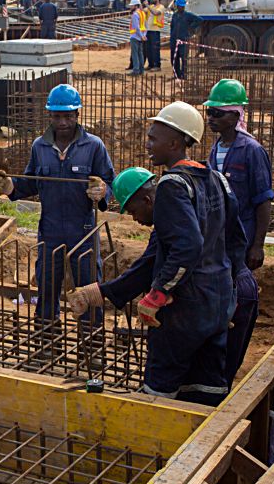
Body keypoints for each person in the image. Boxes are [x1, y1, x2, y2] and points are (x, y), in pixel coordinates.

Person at [69, 102, 244, 406]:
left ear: (174, 142)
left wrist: (158, 294)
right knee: (207, 389)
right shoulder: (217, 179)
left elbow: (187, 247)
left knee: (159, 390)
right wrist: (228, 297)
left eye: (153, 138)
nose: (147, 145)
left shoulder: (171, 186)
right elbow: (235, 243)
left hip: (182, 311)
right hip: (216, 307)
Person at [0, 85, 114, 329]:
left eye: (68, 116)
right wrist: (6, 186)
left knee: (88, 289)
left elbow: (109, 182)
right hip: (50, 229)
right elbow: (30, 183)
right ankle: (47, 339)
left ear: (77, 115)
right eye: (57, 116)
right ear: (50, 116)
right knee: (47, 286)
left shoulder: (94, 146)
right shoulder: (40, 146)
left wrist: (102, 190)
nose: (63, 122)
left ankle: (91, 343)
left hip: (84, 231)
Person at [204, 79, 274, 383]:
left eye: (218, 114)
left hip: (241, 241)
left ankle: (227, 368)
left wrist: (258, 245)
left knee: (237, 298)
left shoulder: (252, 151)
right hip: (217, 241)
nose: (211, 119)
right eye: (209, 113)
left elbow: (263, 201)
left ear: (235, 115)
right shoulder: (214, 150)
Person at [169, 0, 201, 79]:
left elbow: (200, 20)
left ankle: (184, 74)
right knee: (174, 59)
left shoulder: (188, 15)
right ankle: (177, 74)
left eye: (183, 6)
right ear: (177, 6)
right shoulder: (175, 15)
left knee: (184, 59)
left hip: (183, 40)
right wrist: (172, 37)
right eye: (180, 6)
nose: (182, 8)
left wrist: (190, 28)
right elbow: (172, 27)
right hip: (174, 40)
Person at [146, 0, 165, 71]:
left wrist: (148, 6)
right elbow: (142, 11)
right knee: (148, 49)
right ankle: (150, 64)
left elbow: (156, 13)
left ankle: (157, 65)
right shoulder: (151, 6)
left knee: (155, 49)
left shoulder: (161, 7)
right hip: (148, 30)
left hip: (155, 31)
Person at [129, 0, 146, 76]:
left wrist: (141, 36)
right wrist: (143, 36)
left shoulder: (135, 14)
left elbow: (137, 27)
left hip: (135, 37)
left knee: (135, 54)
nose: (130, 7)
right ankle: (141, 70)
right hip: (140, 37)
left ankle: (136, 70)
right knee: (140, 54)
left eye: (132, 6)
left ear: (135, 6)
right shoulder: (142, 13)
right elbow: (145, 26)